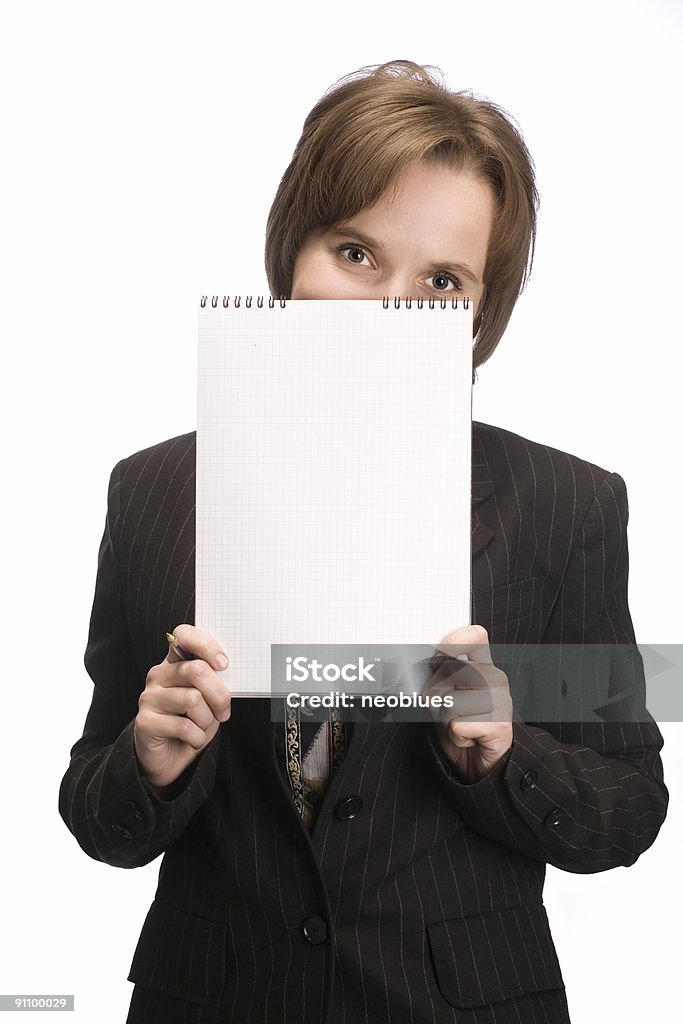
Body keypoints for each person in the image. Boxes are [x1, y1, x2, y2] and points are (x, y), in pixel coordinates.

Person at [59, 60, 667, 1024]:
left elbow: (627, 805)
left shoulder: (564, 505)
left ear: (479, 315)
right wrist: (149, 760)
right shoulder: (152, 492)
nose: (390, 307)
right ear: (290, 252)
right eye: (354, 253)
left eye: (440, 280)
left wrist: (501, 755)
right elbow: (96, 805)